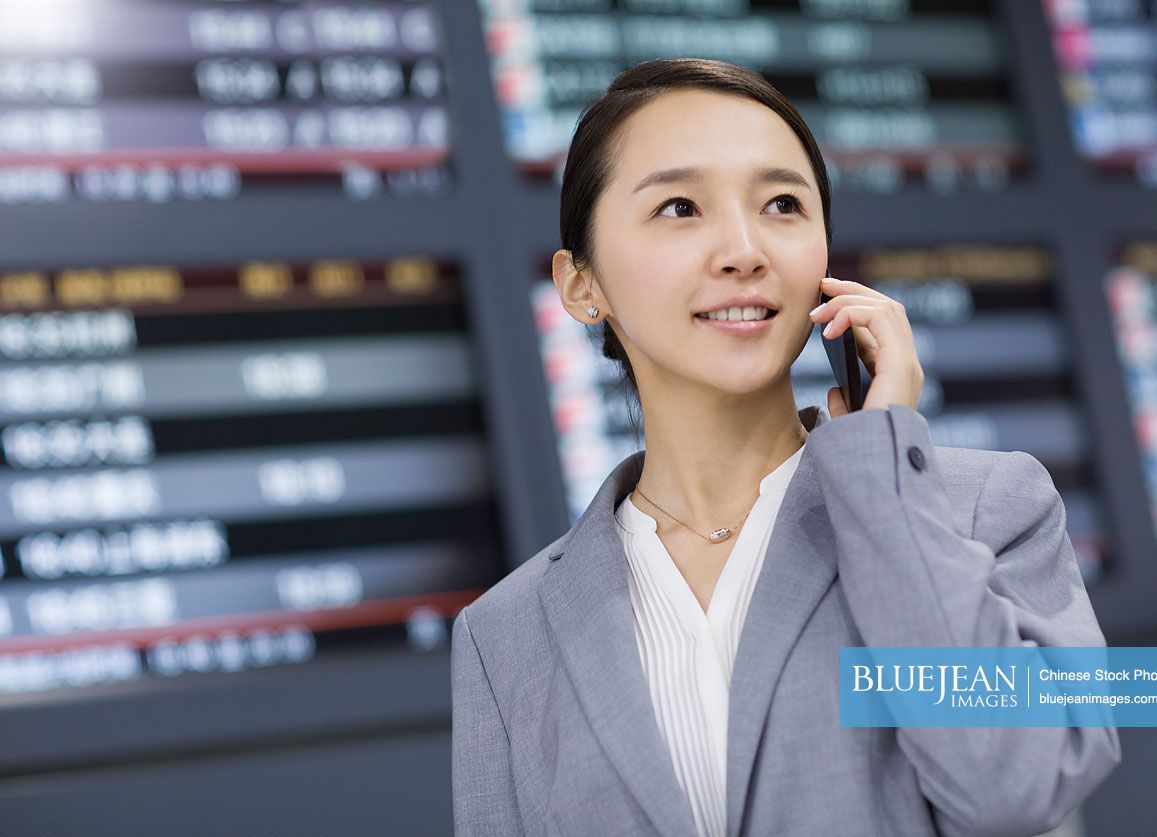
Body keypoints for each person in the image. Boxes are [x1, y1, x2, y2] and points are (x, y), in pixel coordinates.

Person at [452, 58, 1120, 836]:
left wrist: (881, 472)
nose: (743, 249)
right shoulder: (505, 635)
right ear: (580, 285)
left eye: (780, 204)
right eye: (678, 206)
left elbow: (1018, 785)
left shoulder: (982, 507)